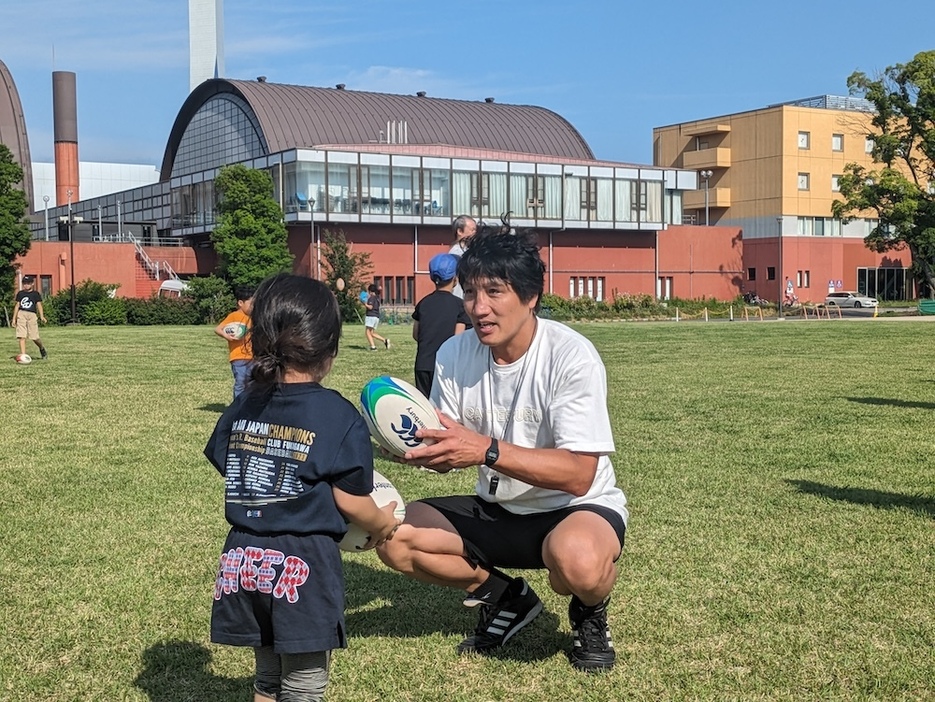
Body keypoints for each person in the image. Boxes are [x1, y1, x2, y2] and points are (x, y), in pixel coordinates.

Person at [378, 228, 627, 673]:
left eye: (495, 291)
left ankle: (590, 612)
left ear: (531, 296)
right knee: (392, 539)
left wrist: (485, 450)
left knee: (578, 564)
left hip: (572, 508)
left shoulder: (570, 355)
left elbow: (579, 475)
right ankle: (507, 597)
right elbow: (451, 448)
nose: (479, 307)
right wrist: (415, 448)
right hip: (497, 507)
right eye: (470, 292)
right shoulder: (455, 352)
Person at [204, 274, 401, 702]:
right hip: (302, 564)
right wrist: (382, 524)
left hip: (244, 558)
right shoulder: (337, 415)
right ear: (330, 350)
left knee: (268, 679)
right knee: (303, 685)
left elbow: (227, 460)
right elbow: (350, 500)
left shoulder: (245, 402)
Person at [411, 253, 472, 397]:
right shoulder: (459, 305)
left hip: (423, 364)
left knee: (426, 408)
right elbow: (459, 338)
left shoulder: (423, 303)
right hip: (447, 365)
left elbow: (415, 334)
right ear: (455, 279)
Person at [214, 285, 255, 399]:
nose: (253, 306)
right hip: (238, 357)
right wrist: (226, 336)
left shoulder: (254, 318)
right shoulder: (234, 316)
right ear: (240, 303)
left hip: (254, 357)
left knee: (253, 383)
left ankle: (249, 404)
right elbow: (217, 329)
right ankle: (238, 405)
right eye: (251, 303)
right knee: (241, 382)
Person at [12, 275, 48, 359]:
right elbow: (17, 306)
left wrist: (42, 316)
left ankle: (42, 348)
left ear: (32, 283)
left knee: (34, 337)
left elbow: (39, 305)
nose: (26, 285)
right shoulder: (20, 293)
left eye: (28, 283)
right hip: (22, 313)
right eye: (24, 283)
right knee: (22, 336)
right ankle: (23, 355)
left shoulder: (35, 294)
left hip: (32, 315)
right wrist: (14, 319)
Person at [448, 215, 477, 298]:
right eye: (472, 230)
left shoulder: (468, 250)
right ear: (460, 231)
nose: (474, 233)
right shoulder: (456, 254)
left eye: (475, 230)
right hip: (460, 297)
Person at [364, 283, 390, 350]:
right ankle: (385, 340)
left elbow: (370, 307)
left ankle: (373, 347)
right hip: (376, 316)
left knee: (367, 332)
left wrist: (364, 304)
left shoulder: (371, 298)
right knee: (372, 333)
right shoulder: (377, 298)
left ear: (370, 291)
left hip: (371, 316)